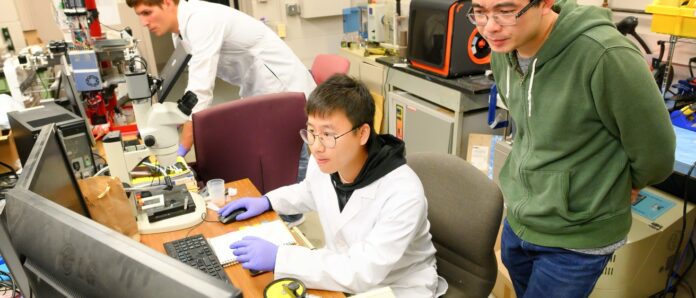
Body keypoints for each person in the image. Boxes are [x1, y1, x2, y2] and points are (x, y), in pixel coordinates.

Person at [469, 0, 676, 297]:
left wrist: (625, 183)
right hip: (521, 219)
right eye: (480, 11)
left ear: (545, 3)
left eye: (505, 10)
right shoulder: (503, 52)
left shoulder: (606, 55)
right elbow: (530, 131)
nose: (489, 26)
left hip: (577, 237)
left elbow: (657, 153)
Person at [218, 74, 447, 296]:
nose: (316, 146)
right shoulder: (327, 161)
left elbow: (362, 271)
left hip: (395, 286)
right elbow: (308, 191)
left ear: (362, 133)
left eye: (328, 134)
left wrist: (281, 257)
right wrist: (268, 201)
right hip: (339, 272)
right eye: (311, 132)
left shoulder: (402, 192)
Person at [127, 0, 314, 225]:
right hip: (258, 88)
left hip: (284, 85)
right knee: (275, 149)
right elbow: (193, 89)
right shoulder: (181, 33)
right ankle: (280, 207)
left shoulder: (201, 20)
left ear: (167, 3)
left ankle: (292, 216)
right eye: (139, 15)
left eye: (147, 12)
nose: (144, 22)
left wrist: (179, 153)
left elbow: (199, 92)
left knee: (290, 153)